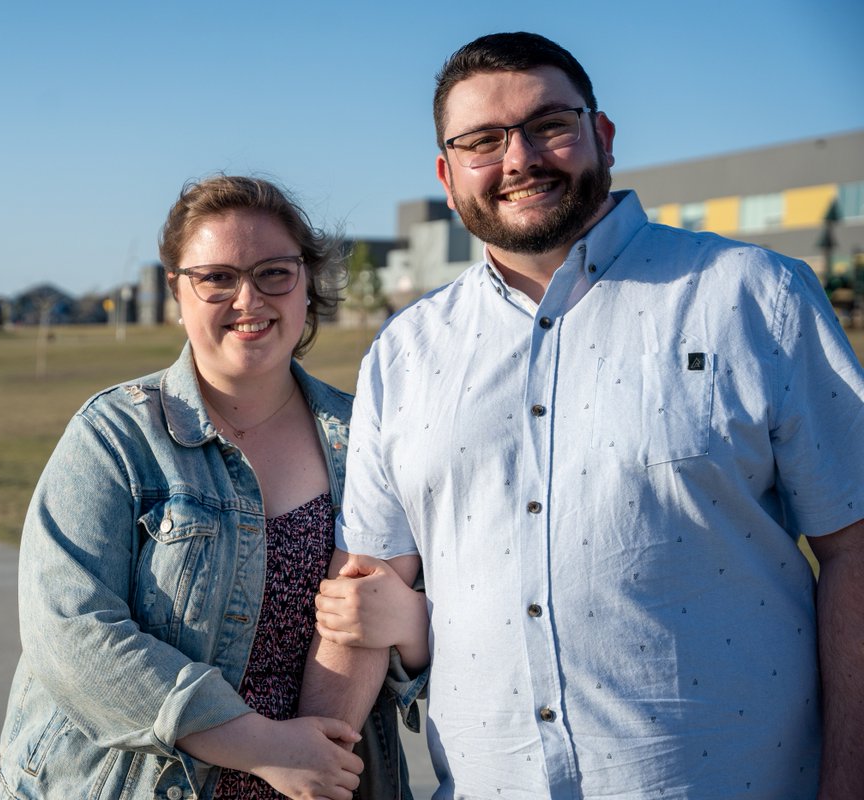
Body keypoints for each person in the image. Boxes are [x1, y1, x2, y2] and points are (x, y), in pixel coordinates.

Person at [304, 32, 864, 799]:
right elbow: (365, 586)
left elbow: (855, 547)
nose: (519, 158)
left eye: (549, 125)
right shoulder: (403, 352)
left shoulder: (756, 298)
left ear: (600, 135)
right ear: (447, 174)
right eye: (482, 141)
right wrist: (311, 765)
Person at [0, 175, 413, 800]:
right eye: (216, 277)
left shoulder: (370, 436)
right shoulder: (115, 436)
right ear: (177, 291)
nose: (248, 298)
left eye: (274, 272)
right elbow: (68, 630)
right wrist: (263, 746)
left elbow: (470, 619)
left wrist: (416, 623)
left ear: (307, 283)